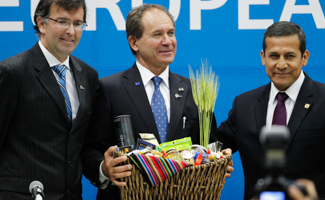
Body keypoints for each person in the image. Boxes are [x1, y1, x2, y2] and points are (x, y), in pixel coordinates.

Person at [82, 4, 233, 200]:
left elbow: (209, 147)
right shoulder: (109, 88)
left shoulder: (196, 90)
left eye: (171, 33)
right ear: (134, 42)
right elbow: (88, 150)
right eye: (157, 35)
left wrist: (220, 160)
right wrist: (104, 168)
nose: (168, 41)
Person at [213, 21, 325, 200]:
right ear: (263, 57)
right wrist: (219, 156)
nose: (281, 64)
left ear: (305, 57)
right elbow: (213, 146)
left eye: (290, 56)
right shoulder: (244, 104)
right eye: (274, 56)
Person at [0, 0, 98, 199]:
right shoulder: (12, 71)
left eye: (78, 23)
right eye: (62, 21)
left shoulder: (88, 75)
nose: (71, 31)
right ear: (41, 24)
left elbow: (81, 143)